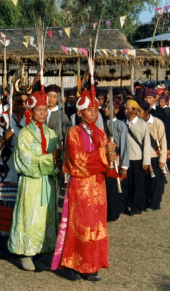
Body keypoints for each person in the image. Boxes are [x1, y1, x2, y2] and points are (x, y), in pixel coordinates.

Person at [51, 85, 117, 281]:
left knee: (96, 227)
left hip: (97, 186)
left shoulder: (102, 133)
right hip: (80, 185)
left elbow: (107, 163)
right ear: (79, 112)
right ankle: (73, 265)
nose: (94, 113)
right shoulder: (73, 132)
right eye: (89, 109)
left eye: (96, 109)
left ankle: (91, 265)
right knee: (79, 225)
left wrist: (112, 155)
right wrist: (103, 154)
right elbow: (78, 162)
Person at [8, 87, 59, 271]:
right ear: (32, 111)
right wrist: (50, 158)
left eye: (45, 109)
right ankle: (25, 253)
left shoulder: (51, 133)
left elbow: (57, 160)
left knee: (45, 216)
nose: (43, 113)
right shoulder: (25, 134)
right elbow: (24, 160)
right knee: (29, 216)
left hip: (47, 182)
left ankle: (42, 249)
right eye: (39, 109)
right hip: (31, 183)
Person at [0, 92, 27, 255]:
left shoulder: (29, 119)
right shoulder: (1, 119)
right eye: (19, 101)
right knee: (7, 208)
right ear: (11, 101)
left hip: (26, 172)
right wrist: (2, 140)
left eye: (25, 101)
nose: (23, 104)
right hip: (7, 171)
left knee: (24, 208)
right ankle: (2, 244)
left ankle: (20, 244)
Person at [138, 101, 167, 211]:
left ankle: (154, 204)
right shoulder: (138, 123)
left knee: (155, 182)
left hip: (154, 156)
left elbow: (163, 141)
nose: (137, 114)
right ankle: (144, 203)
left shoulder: (158, 123)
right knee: (145, 182)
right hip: (142, 156)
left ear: (146, 112)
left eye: (139, 111)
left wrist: (162, 159)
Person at [103, 98, 129, 222]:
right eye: (105, 107)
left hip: (115, 161)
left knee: (114, 187)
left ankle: (114, 213)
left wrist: (124, 165)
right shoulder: (101, 123)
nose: (106, 110)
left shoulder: (121, 125)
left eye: (109, 108)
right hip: (103, 159)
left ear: (116, 110)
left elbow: (124, 145)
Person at [124, 99, 151, 216]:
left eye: (127, 108)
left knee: (138, 185)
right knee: (127, 184)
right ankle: (127, 204)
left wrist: (146, 161)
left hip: (138, 159)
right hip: (126, 159)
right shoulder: (123, 123)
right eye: (125, 108)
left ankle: (137, 208)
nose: (125, 111)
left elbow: (146, 144)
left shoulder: (142, 124)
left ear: (134, 110)